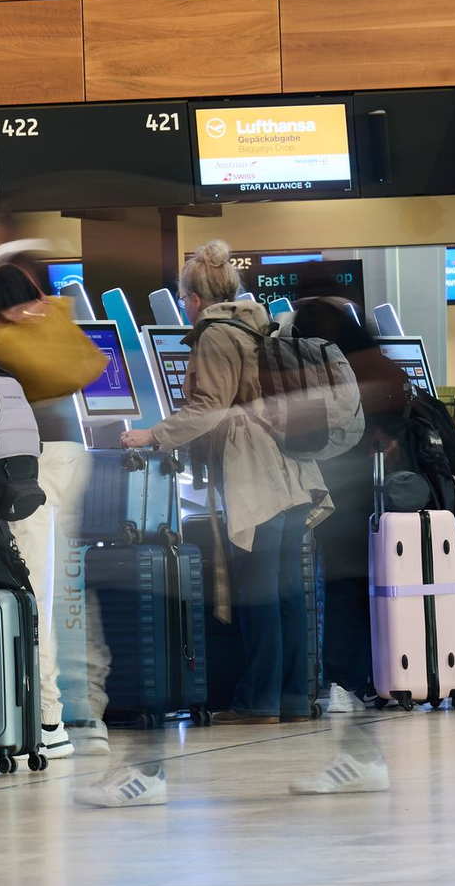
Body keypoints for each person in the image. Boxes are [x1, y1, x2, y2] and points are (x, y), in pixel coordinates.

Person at [123, 240, 332, 725]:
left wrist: (153, 435)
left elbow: (209, 406)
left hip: (257, 476)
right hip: (292, 470)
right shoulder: (257, 323)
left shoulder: (216, 333)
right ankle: (294, 698)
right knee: (286, 593)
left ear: (193, 296)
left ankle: (260, 701)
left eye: (183, 298)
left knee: (260, 592)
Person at [0, 210, 87, 758]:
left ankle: (48, 720)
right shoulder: (26, 275)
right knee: (37, 587)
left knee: (31, 589)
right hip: (48, 450)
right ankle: (46, 713)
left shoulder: (0, 277)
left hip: (34, 457)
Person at [293, 296, 408, 713]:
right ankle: (386, 674)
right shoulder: (370, 358)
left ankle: (344, 679)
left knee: (343, 582)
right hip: (372, 485)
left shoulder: (323, 362)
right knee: (368, 582)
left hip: (338, 481)